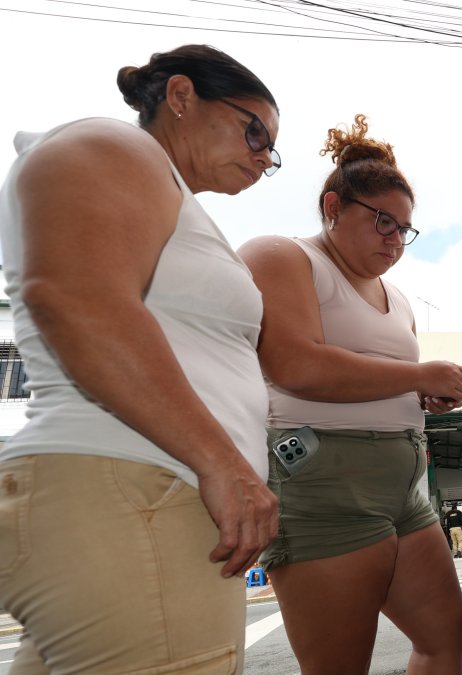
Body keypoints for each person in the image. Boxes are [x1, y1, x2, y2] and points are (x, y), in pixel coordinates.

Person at [0, 45, 281, 673]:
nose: (264, 157)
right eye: (253, 129)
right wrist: (224, 464)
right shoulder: (116, 146)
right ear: (180, 97)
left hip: (129, 492)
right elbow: (76, 297)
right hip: (137, 487)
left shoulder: (168, 191)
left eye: (272, 149)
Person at [238, 114, 462, 674]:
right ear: (333, 206)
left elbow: (382, 382)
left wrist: (426, 398)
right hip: (324, 480)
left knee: (445, 634)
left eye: (405, 230)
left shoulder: (401, 298)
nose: (395, 240)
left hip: (405, 488)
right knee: (341, 664)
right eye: (383, 222)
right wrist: (419, 377)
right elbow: (296, 365)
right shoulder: (284, 256)